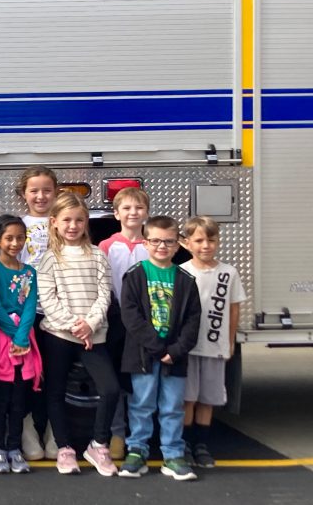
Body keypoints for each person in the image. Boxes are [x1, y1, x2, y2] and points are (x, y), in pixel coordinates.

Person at [36, 191, 120, 476]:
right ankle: (64, 448)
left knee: (110, 388)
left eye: (79, 220)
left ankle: (98, 444)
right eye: (67, 220)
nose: (73, 226)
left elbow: (104, 295)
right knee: (55, 392)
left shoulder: (97, 255)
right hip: (59, 335)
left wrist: (90, 325)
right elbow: (48, 300)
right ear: (54, 223)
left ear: (86, 222)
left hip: (93, 336)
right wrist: (74, 324)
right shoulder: (49, 259)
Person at [118, 215, 202, 481]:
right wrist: (157, 347)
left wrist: (175, 351)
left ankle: (173, 455)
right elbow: (130, 316)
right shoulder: (134, 275)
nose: (162, 246)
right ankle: (137, 451)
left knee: (172, 406)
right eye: (156, 241)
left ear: (178, 245)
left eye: (168, 242)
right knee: (141, 404)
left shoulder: (186, 280)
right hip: (144, 354)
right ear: (146, 242)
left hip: (175, 357)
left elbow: (193, 320)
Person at [179, 216, 245, 469]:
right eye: (199, 240)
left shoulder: (229, 273)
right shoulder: (183, 272)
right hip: (189, 349)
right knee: (188, 399)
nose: (206, 245)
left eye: (211, 240)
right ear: (186, 243)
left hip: (215, 347)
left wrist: (229, 342)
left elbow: (234, 308)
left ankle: (202, 445)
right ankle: (184, 444)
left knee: (208, 399)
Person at [0, 215, 42, 474]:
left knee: (19, 400)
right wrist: (12, 334)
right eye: (9, 238)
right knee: (0, 399)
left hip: (23, 341)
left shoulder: (29, 272)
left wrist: (21, 337)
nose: (15, 243)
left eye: (20, 237)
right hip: (1, 341)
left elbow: (30, 306)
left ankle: (15, 448)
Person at [98, 186, 151, 461]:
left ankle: (140, 435)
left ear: (147, 213)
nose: (133, 213)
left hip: (144, 323)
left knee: (140, 380)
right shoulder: (107, 246)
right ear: (116, 213)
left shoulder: (152, 246)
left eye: (139, 208)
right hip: (115, 319)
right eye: (127, 208)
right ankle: (118, 433)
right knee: (117, 379)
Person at [15, 165, 58, 461]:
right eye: (34, 191)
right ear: (23, 194)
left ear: (56, 193)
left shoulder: (63, 223)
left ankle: (55, 430)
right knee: (27, 373)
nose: (40, 196)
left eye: (47, 190)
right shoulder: (18, 225)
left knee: (54, 374)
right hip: (28, 311)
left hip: (59, 312)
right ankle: (27, 427)